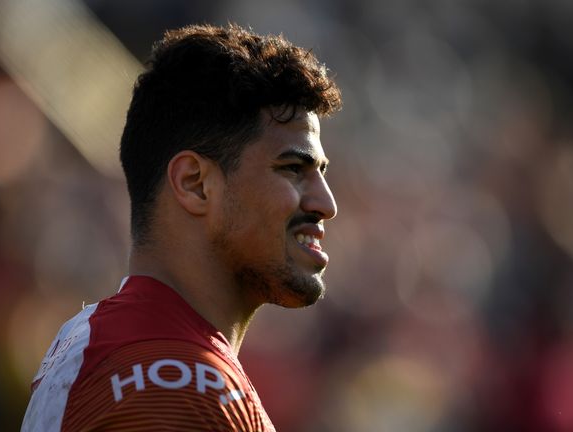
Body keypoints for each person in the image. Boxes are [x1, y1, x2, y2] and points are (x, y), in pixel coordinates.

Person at [22, 23, 342, 431]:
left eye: (322, 173)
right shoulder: (175, 384)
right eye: (294, 168)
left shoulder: (116, 343)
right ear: (195, 184)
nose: (325, 204)